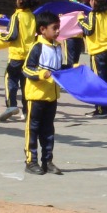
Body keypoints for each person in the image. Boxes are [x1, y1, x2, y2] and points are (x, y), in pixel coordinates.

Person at [20, 11, 65, 175]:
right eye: (55, 28)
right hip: (35, 97)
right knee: (33, 129)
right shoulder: (37, 47)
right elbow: (26, 69)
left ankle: (47, 161)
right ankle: (31, 161)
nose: (58, 31)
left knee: (48, 130)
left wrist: (73, 69)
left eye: (59, 28)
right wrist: (40, 74)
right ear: (43, 29)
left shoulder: (59, 47)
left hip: (51, 97)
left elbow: (59, 70)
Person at [0, 0, 38, 123]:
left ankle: (11, 105)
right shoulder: (32, 16)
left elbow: (12, 35)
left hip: (16, 55)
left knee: (10, 80)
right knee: (25, 84)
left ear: (19, 2)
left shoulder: (16, 16)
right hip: (29, 56)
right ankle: (27, 111)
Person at [79, 0, 107, 115]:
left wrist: (81, 20)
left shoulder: (92, 15)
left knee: (98, 81)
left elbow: (89, 30)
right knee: (106, 80)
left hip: (97, 52)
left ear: (94, 1)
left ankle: (101, 109)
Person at [64, 0, 87, 68]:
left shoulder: (83, 5)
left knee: (76, 60)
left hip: (79, 36)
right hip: (70, 37)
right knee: (70, 61)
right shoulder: (68, 5)